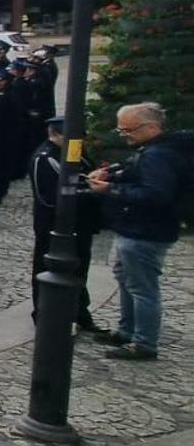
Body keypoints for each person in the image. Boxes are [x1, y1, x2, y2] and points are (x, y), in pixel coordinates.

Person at [87, 102, 189, 361]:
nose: (124, 135)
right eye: (121, 131)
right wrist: (111, 174)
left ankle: (144, 342)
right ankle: (126, 330)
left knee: (142, 287)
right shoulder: (153, 149)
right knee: (127, 280)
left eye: (129, 130)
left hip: (146, 229)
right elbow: (133, 168)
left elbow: (155, 194)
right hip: (135, 226)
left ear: (152, 127)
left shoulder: (159, 155)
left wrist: (110, 190)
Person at [30, 117, 105, 334]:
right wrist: (89, 190)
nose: (80, 142)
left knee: (79, 268)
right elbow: (48, 197)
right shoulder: (45, 158)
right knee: (47, 269)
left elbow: (80, 176)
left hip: (80, 224)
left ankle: (79, 312)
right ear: (56, 135)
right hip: (54, 225)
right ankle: (45, 315)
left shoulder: (76, 153)